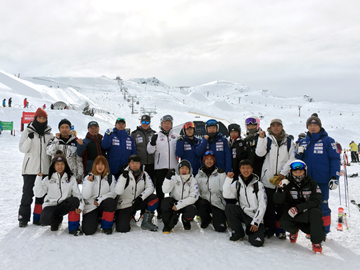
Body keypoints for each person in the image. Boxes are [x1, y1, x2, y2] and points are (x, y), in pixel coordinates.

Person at [296, 113, 340, 234]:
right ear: (307, 127)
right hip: (306, 181)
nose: (312, 127)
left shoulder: (328, 141)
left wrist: (335, 177)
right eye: (310, 125)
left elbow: (335, 159)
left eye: (315, 125)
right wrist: (298, 154)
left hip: (322, 180)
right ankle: (310, 229)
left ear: (320, 126)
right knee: (306, 205)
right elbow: (297, 162)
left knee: (323, 206)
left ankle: (324, 231)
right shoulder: (303, 142)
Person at [255, 118, 295, 239]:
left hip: (283, 180)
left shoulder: (289, 141)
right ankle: (269, 228)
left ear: (282, 127)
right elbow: (259, 153)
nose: (276, 127)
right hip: (268, 179)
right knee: (269, 206)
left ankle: (280, 229)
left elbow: (292, 158)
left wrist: (283, 173)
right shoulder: (267, 140)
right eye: (273, 125)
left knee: (282, 206)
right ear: (270, 127)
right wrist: (261, 139)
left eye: (278, 125)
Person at [273, 160, 325, 253]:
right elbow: (277, 201)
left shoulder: (312, 183)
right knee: (284, 222)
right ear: (291, 172)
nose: (298, 174)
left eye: (300, 172)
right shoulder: (287, 183)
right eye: (295, 172)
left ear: (305, 171)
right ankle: (293, 231)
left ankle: (316, 242)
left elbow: (317, 201)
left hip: (306, 211)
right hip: (291, 212)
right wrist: (280, 189)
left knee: (316, 213)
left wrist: (299, 208)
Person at [33, 150, 84, 236]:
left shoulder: (71, 178)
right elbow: (38, 194)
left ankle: (74, 228)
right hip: (51, 206)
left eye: (62, 164)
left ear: (65, 165)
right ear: (53, 166)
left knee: (74, 200)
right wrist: (38, 178)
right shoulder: (48, 179)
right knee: (44, 220)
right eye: (57, 164)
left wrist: (80, 207)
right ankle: (57, 220)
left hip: (64, 205)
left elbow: (77, 194)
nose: (60, 167)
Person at [18, 108, 54, 227]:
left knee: (41, 195)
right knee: (27, 194)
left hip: (44, 169)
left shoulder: (49, 134)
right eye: (39, 118)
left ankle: (38, 218)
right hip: (30, 169)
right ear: (35, 118)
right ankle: (23, 218)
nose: (41, 120)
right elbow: (22, 149)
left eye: (43, 118)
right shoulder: (28, 131)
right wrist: (29, 139)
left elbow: (52, 150)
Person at [223, 159, 267, 247]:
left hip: (254, 216)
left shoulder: (258, 185)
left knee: (257, 242)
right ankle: (238, 232)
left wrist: (256, 222)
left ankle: (254, 229)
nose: (245, 170)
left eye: (248, 168)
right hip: (243, 213)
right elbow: (227, 195)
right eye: (243, 168)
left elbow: (263, 205)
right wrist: (228, 179)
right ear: (240, 169)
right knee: (229, 207)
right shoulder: (237, 184)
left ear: (252, 169)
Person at [114, 155, 159, 232]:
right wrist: (123, 178)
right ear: (129, 164)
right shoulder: (123, 174)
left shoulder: (144, 174)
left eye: (137, 163)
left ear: (140, 164)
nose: (135, 165)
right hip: (125, 205)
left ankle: (146, 222)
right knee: (122, 229)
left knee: (153, 199)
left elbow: (150, 188)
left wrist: (141, 197)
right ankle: (125, 216)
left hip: (138, 201)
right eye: (133, 163)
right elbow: (118, 191)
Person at [147, 114, 178, 218]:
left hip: (173, 167)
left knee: (173, 191)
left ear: (171, 124)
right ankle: (160, 212)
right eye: (164, 123)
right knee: (160, 191)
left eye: (168, 123)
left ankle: (172, 211)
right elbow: (150, 151)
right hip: (160, 168)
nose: (166, 125)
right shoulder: (156, 136)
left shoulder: (175, 136)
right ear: (161, 124)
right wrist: (152, 142)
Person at [82, 155, 117, 235]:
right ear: (95, 165)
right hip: (91, 207)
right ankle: (95, 218)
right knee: (88, 231)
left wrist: (100, 199)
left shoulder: (110, 177)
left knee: (111, 201)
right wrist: (89, 183)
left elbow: (114, 193)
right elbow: (85, 196)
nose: (100, 166)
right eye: (98, 164)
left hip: (103, 205)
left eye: (102, 164)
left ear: (106, 166)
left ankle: (106, 226)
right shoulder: (88, 177)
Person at [161, 160, 199, 233]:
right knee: (165, 202)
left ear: (190, 170)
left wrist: (178, 205)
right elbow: (165, 190)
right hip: (174, 201)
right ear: (178, 169)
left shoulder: (193, 180)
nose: (184, 170)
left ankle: (185, 220)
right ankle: (167, 223)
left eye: (186, 168)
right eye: (182, 168)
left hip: (186, 203)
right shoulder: (174, 178)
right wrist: (167, 178)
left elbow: (193, 197)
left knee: (192, 210)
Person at [195, 150, 227, 232]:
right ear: (204, 161)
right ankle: (206, 219)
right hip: (205, 203)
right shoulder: (199, 175)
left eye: (211, 159)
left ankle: (218, 217)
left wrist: (223, 176)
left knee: (220, 228)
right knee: (199, 202)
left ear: (214, 161)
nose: (209, 161)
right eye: (207, 159)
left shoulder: (220, 173)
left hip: (217, 203)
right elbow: (196, 191)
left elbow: (224, 190)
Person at [46, 119, 84, 184]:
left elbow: (78, 159)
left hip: (71, 175)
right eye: (62, 127)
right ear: (59, 129)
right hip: (56, 174)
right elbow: (49, 152)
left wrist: (79, 176)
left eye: (67, 127)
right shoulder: (53, 140)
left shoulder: (75, 141)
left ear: (70, 129)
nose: (64, 129)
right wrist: (56, 140)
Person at [131, 115, 156, 181]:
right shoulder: (134, 134)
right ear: (140, 122)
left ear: (150, 123)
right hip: (139, 164)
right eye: (143, 122)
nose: (145, 124)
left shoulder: (154, 134)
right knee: (140, 183)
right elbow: (132, 148)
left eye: (147, 122)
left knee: (151, 183)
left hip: (151, 163)